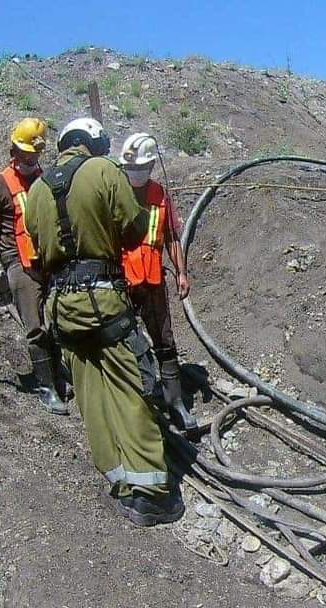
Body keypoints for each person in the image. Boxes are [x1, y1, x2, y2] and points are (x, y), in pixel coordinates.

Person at [23, 117, 183, 526]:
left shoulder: (37, 189)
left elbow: (38, 251)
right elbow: (133, 228)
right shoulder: (104, 170)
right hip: (103, 300)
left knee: (91, 394)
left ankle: (119, 481)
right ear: (91, 143)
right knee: (132, 386)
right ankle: (150, 493)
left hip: (60, 306)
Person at [0, 118, 68, 415]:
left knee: (55, 323)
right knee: (35, 326)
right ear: (13, 151)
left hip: (47, 259)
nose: (30, 159)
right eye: (25, 154)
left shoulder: (45, 179)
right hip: (17, 261)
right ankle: (47, 388)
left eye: (34, 154)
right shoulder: (0, 183)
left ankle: (59, 374)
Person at [117, 133, 196, 430]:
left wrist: (182, 273)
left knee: (165, 342)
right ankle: (136, 402)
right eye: (131, 168)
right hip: (122, 282)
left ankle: (175, 402)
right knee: (125, 340)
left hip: (153, 281)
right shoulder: (115, 190)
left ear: (151, 166)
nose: (135, 174)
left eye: (140, 168)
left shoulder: (161, 195)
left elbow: (172, 238)